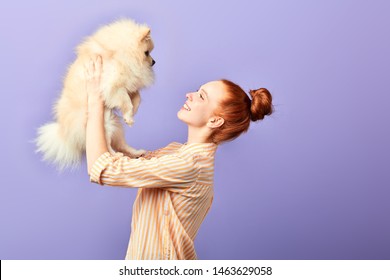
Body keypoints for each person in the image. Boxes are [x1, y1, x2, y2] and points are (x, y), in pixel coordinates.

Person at [85, 56, 273, 260]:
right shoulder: (176, 153)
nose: (189, 95)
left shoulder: (188, 165)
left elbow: (102, 168)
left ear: (215, 120)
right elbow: (122, 160)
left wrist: (95, 100)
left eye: (201, 96)